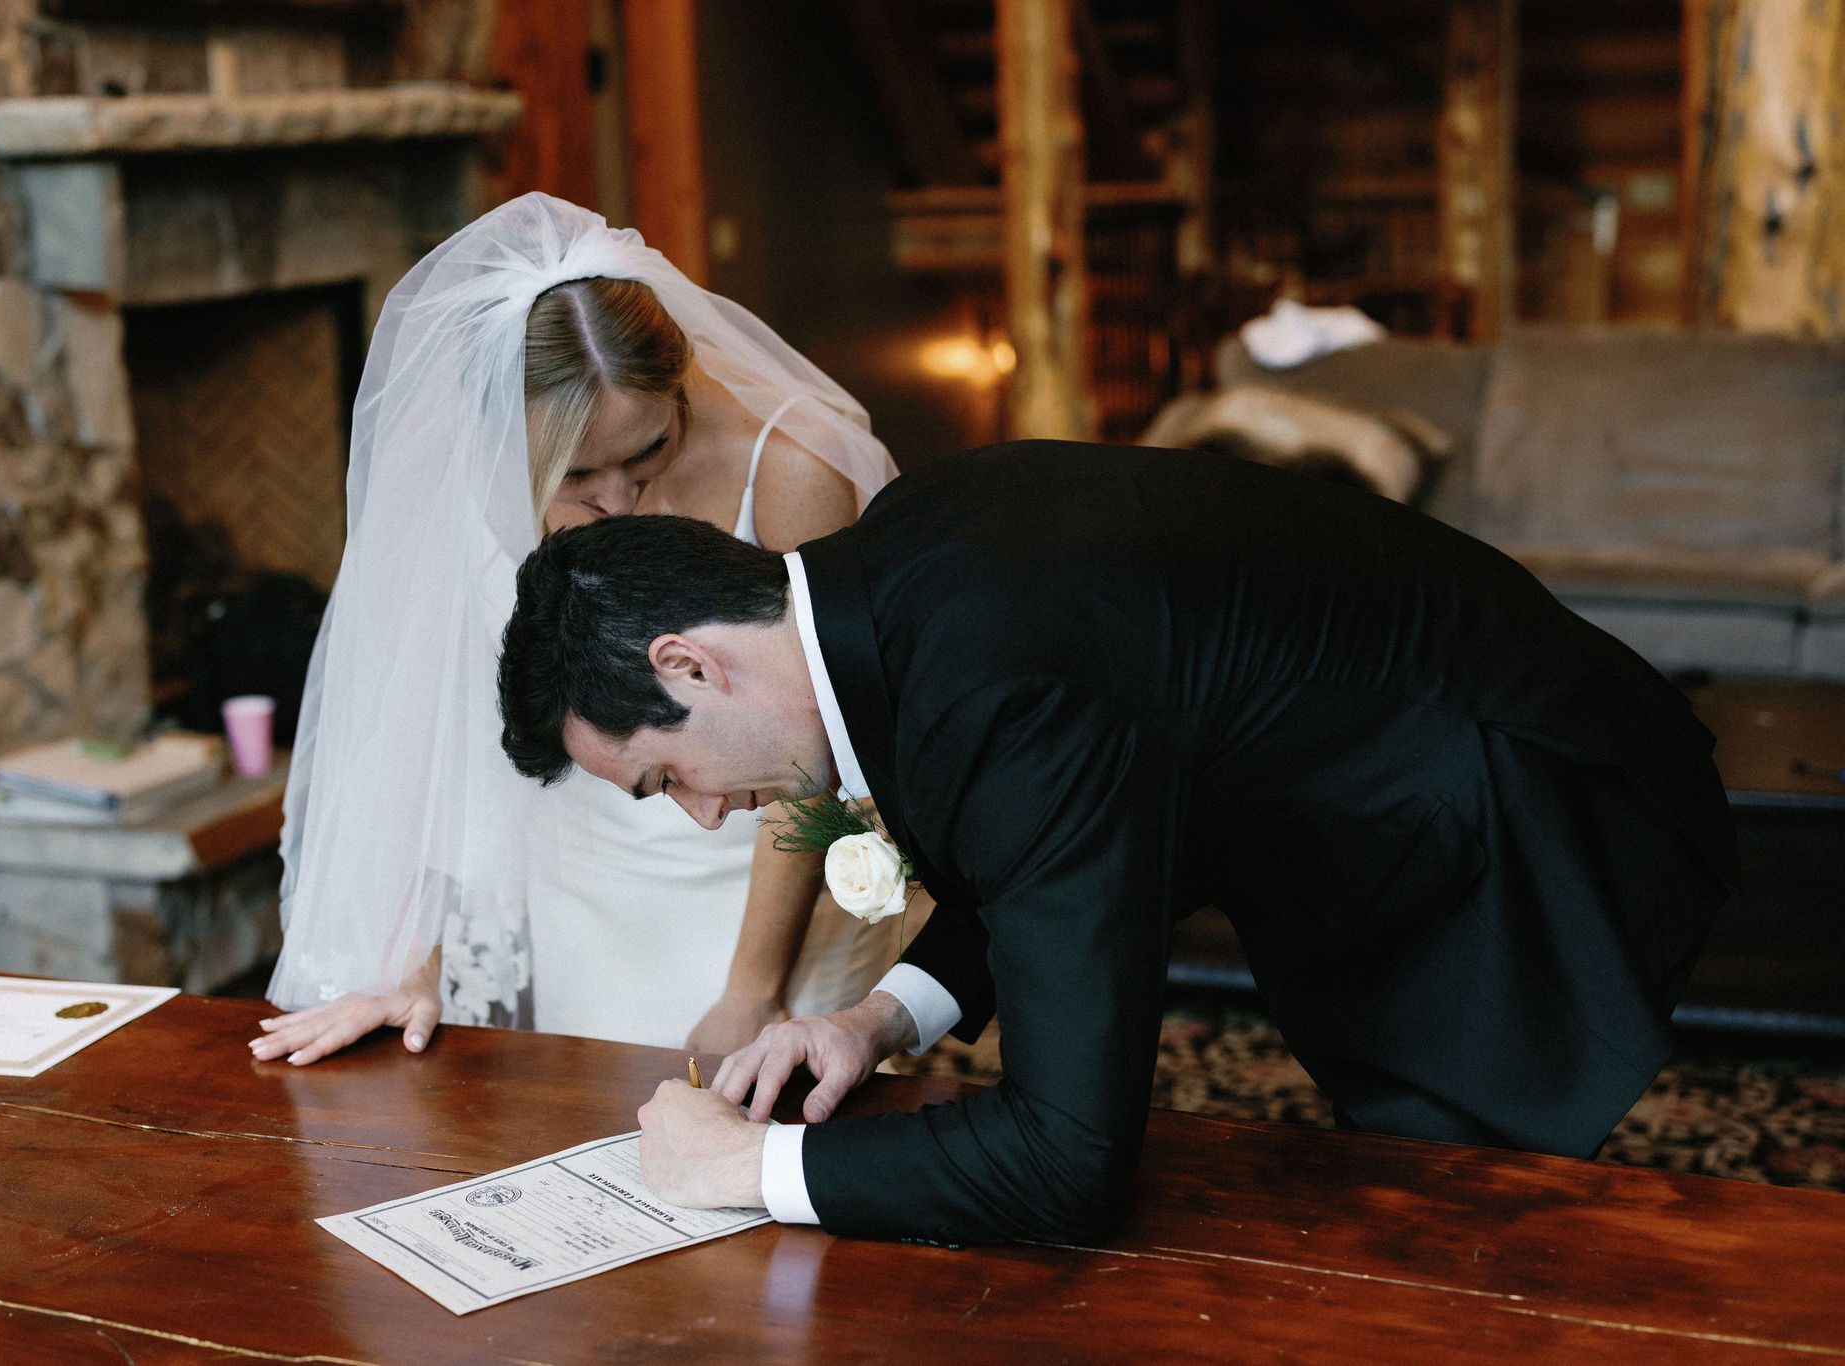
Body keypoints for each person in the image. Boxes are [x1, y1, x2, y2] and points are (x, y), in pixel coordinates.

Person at [495, 442, 1739, 1246]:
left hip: (1520, 803)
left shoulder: (990, 685)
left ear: (688, 662)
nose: (707, 813)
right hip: (1410, 775)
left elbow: (1066, 1161)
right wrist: (875, 1021)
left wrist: (750, 1168)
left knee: (1482, 1226)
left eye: (666, 777)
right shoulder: (909, 561)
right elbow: (1055, 848)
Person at [251, 193, 899, 1065]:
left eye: (646, 452)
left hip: (765, 874)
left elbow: (809, 738)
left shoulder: (793, 469)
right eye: (577, 473)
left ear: (680, 384)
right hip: (585, 876)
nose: (619, 501)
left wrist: (751, 987)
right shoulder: (480, 476)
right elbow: (446, 740)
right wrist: (414, 961)